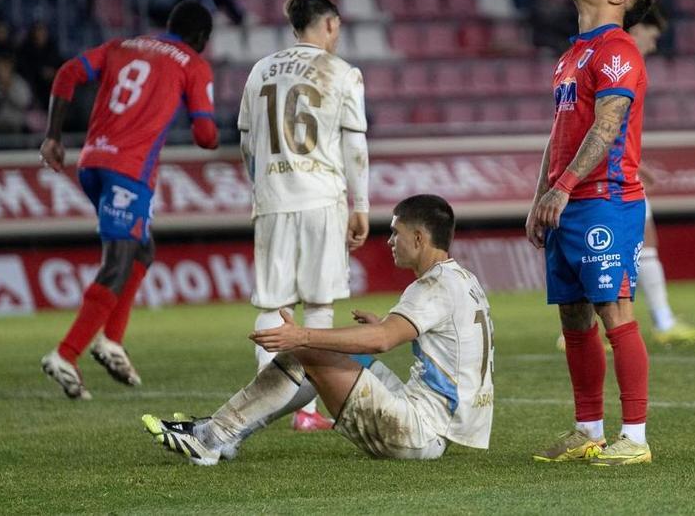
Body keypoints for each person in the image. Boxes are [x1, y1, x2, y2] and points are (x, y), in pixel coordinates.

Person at [141, 195, 493, 464]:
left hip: (419, 431)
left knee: (306, 351)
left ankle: (212, 437)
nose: (389, 242)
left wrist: (303, 336)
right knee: (337, 349)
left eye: (395, 233)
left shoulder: (432, 287)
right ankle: (223, 433)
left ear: (418, 238)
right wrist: (381, 328)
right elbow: (441, 342)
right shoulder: (462, 279)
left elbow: (384, 341)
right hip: (441, 424)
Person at [39, 0, 219, 399]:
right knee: (118, 261)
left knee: (141, 251)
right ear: (202, 38)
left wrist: (53, 135)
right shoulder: (192, 63)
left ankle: (112, 341)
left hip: (91, 162)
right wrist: (218, 133)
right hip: (129, 169)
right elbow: (205, 135)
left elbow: (68, 73)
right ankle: (66, 354)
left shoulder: (124, 45)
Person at [525, 0, 655, 466]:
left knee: (614, 311)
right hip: (568, 199)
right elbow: (558, 135)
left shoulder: (618, 50)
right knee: (575, 317)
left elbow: (607, 126)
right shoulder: (571, 57)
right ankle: (588, 430)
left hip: (607, 198)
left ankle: (636, 438)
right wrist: (542, 195)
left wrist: (565, 187)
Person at [236, 0, 370, 431]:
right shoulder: (342, 72)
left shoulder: (260, 70)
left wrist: (263, 186)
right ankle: (306, 413)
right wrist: (362, 204)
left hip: (272, 198)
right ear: (329, 24)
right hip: (321, 198)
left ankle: (262, 402)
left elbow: (245, 142)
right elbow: (354, 145)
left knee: (272, 301)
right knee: (317, 301)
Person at [555, 5, 695, 351]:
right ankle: (653, 322)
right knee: (626, 243)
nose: (654, 46)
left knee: (616, 245)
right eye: (652, 36)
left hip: (614, 171)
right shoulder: (614, 60)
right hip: (607, 180)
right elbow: (591, 123)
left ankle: (616, 323)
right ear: (636, 29)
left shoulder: (611, 62)